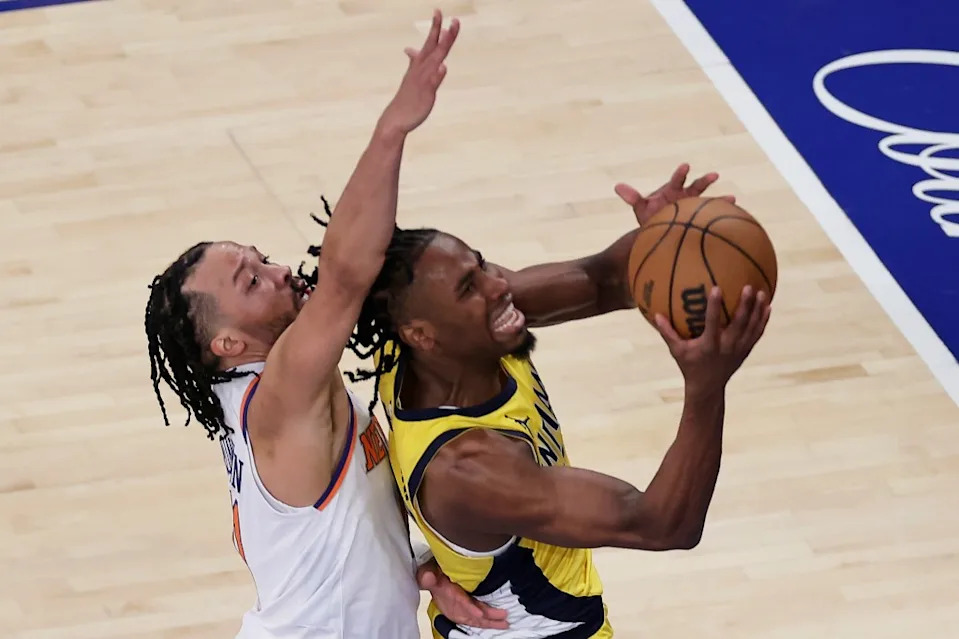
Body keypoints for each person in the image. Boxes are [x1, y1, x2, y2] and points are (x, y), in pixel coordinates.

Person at [143, 11, 510, 638]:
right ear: (228, 343)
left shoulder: (268, 400)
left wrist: (420, 568)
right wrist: (392, 129)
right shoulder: (281, 396)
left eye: (261, 258)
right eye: (252, 281)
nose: (280, 271)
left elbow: (339, 531)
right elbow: (346, 275)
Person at [329, 166, 773, 638]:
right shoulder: (469, 468)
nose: (498, 285)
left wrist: (663, 240)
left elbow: (601, 281)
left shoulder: (444, 332)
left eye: (481, 266)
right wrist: (706, 388)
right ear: (421, 334)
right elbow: (663, 525)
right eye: (468, 288)